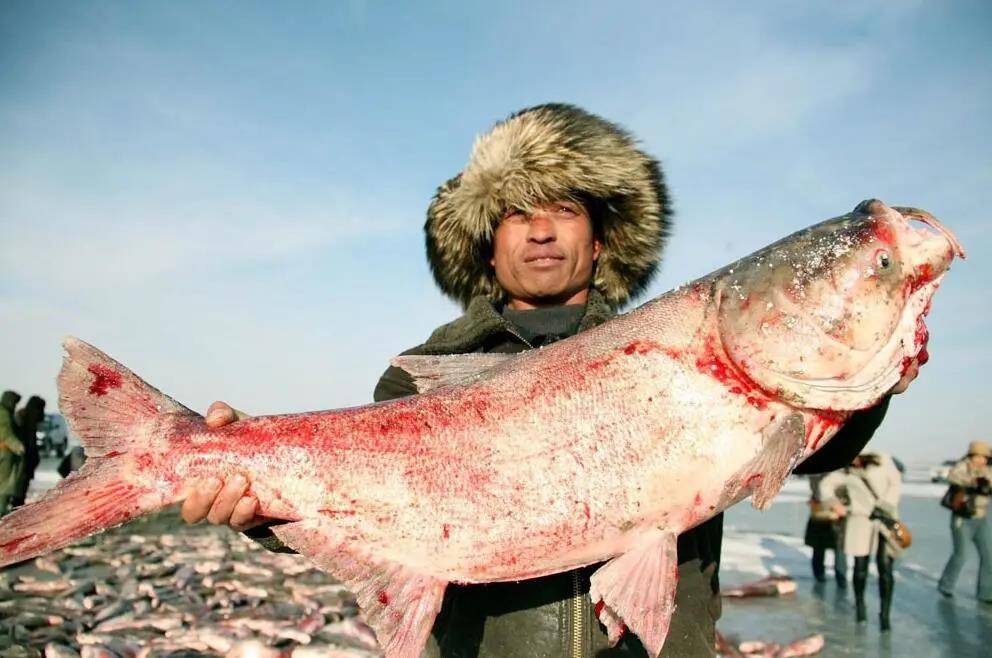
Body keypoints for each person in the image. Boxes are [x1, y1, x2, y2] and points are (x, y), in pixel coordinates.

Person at [181, 104, 923, 657]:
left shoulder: (692, 351)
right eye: (515, 215)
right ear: (487, 243)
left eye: (564, 209)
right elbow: (366, 520)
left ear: (598, 240)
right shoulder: (414, 378)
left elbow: (817, 449)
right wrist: (258, 505)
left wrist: (872, 379)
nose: (540, 231)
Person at [820, 452, 902, 631]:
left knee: (885, 568)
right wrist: (834, 503)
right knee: (860, 567)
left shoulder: (883, 461)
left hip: (885, 520)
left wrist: (886, 505)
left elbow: (895, 483)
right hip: (860, 520)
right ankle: (860, 607)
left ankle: (884, 614)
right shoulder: (845, 471)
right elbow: (825, 484)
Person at [937, 440, 992, 602]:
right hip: (962, 519)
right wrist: (973, 481)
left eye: (984, 457)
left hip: (980, 519)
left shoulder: (988, 471)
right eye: (978, 457)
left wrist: (986, 484)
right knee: (961, 555)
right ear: (971, 456)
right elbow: (953, 477)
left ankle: (986, 593)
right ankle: (946, 585)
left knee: (989, 555)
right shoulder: (963, 467)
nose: (981, 460)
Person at [804, 473, 846, 586]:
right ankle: (838, 577)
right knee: (835, 547)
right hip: (830, 512)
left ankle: (826, 575)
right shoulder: (824, 475)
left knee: (830, 548)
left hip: (827, 512)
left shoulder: (817, 473)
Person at [11, 395, 45, 507]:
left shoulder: (29, 418)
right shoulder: (23, 419)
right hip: (21, 462)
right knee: (18, 491)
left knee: (21, 490)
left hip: (27, 461)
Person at [0, 390, 24, 516]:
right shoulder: (3, 413)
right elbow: (6, 433)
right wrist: (17, 446)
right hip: (5, 453)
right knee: (5, 484)